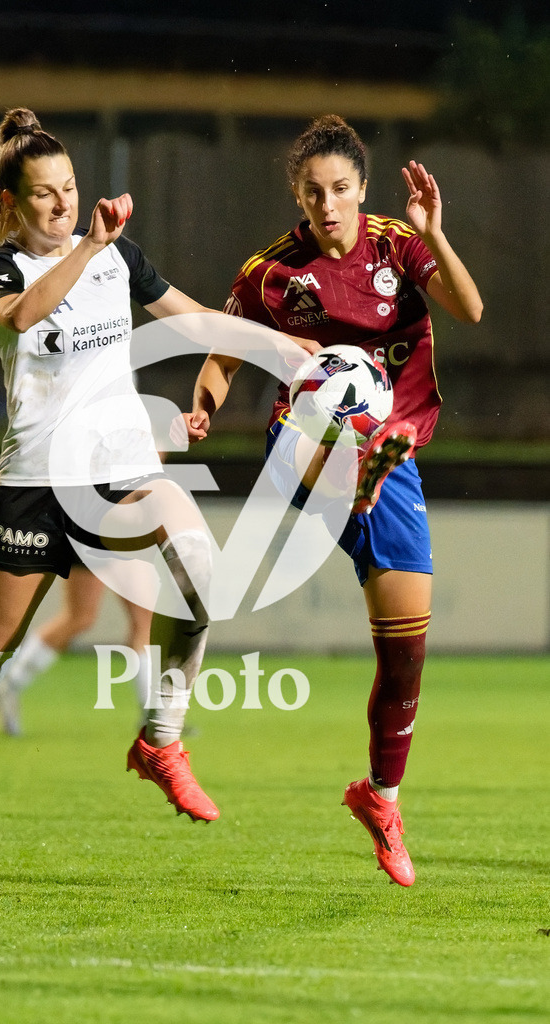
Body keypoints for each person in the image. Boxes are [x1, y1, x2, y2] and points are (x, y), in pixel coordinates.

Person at [0, 106, 228, 890]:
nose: (64, 204)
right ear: (14, 205)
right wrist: (87, 246)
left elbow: (196, 322)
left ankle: (161, 738)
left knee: (202, 571)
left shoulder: (122, 259)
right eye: (45, 194)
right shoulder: (5, 270)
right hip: (36, 488)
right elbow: (21, 316)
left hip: (119, 474)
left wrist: (288, 353)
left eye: (71, 188)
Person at [184, 115, 483, 887]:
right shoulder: (274, 273)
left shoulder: (395, 245)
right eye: (313, 192)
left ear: (362, 190)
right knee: (325, 429)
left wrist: (435, 233)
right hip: (305, 449)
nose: (328, 205)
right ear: (297, 193)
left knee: (406, 650)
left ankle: (381, 797)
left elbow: (470, 308)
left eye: (341, 189)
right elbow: (225, 348)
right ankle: (356, 459)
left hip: (396, 463)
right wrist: (204, 407)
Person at [0, 565, 152, 736]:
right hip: (115, 541)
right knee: (142, 621)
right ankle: (153, 715)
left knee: (80, 617)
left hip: (87, 541)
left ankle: (9, 683)